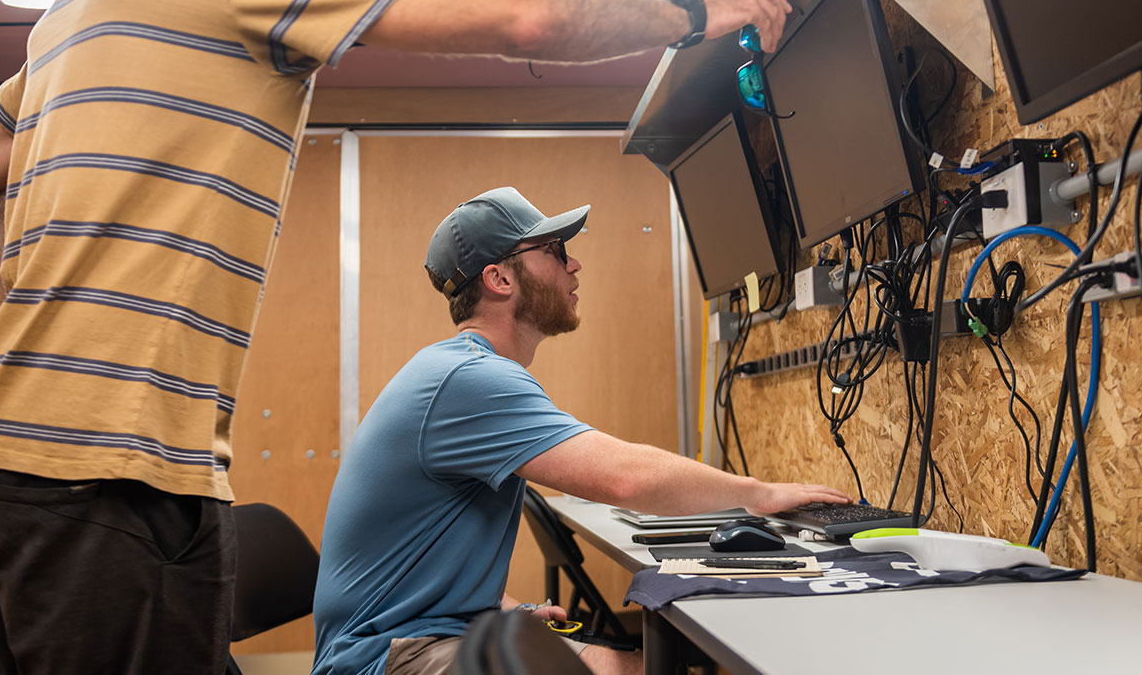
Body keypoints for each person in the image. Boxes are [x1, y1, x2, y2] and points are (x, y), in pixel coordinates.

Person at [0, 0, 792, 672]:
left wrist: (13, 355)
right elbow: (526, 21)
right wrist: (693, 10)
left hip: (18, 471)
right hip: (115, 475)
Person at [312, 187, 849, 675]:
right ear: (499, 278)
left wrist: (506, 612)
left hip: (420, 636)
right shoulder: (469, 379)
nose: (575, 263)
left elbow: (414, 570)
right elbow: (625, 479)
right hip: (385, 658)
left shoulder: (460, 372)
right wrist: (760, 494)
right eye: (553, 251)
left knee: (636, 666)